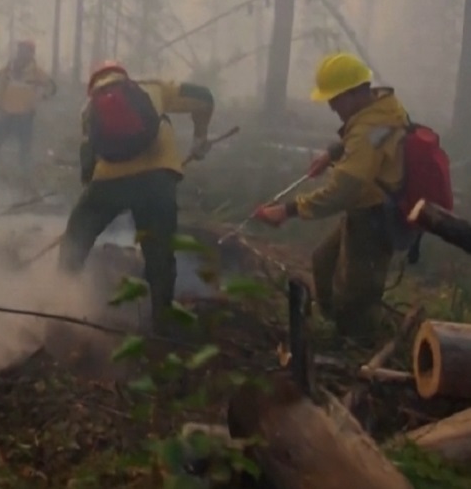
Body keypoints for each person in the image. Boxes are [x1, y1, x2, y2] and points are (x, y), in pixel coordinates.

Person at [253, 52, 411, 341]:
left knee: (357, 296)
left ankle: (359, 351)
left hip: (374, 217)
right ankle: (335, 328)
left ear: (354, 94)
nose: (331, 106)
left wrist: (287, 210)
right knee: (323, 262)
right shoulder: (383, 107)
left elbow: (342, 192)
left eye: (335, 99)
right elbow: (375, 140)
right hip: (368, 207)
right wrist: (333, 153)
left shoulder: (368, 128)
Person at [59, 60, 214, 334]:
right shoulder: (153, 88)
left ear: (93, 85)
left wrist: (92, 196)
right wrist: (200, 137)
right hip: (157, 178)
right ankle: (162, 324)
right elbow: (204, 97)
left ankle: (58, 304)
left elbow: (88, 161)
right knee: (160, 252)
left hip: (109, 181)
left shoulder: (88, 109)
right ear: (123, 76)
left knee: (76, 237)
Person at [0, 40, 57, 175]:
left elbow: (52, 87)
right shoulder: (9, 68)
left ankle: (25, 176)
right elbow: (1, 85)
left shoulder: (36, 72)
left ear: (31, 53)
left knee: (25, 148)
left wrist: (42, 97)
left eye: (25, 50)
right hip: (6, 113)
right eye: (20, 49)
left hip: (25, 115)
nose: (21, 52)